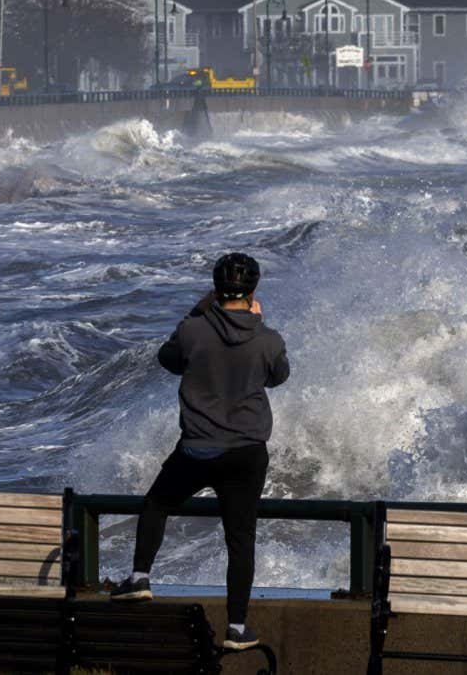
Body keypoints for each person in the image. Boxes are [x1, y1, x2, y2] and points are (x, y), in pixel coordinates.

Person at [111, 253, 289, 653]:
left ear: (214, 289)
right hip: (246, 452)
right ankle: (237, 628)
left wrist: (198, 310)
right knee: (240, 539)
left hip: (197, 449)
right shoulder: (269, 339)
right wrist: (257, 324)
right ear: (253, 291)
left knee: (157, 504)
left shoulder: (192, 330)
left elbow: (167, 359)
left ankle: (140, 578)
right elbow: (278, 376)